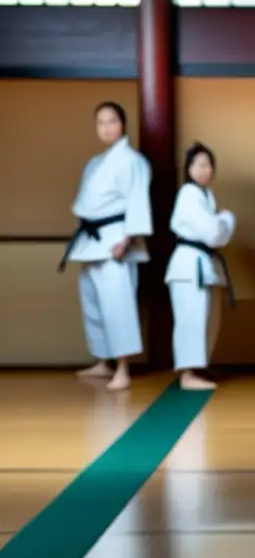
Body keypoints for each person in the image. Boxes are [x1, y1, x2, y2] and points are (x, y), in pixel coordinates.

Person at [61, 101, 152, 392]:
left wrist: (127, 237)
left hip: (115, 237)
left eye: (111, 121)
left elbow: (138, 200)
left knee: (118, 303)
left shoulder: (133, 160)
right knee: (93, 300)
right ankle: (103, 361)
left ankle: (123, 368)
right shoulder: (95, 163)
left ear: (122, 124)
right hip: (91, 239)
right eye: (100, 122)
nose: (106, 128)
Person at [165, 142, 236, 391]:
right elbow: (214, 233)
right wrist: (226, 219)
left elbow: (217, 235)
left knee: (207, 318)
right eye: (199, 164)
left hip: (203, 263)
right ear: (189, 169)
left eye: (208, 165)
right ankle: (187, 373)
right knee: (191, 319)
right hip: (189, 265)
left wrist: (221, 223)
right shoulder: (188, 194)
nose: (205, 170)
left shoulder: (205, 196)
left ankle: (199, 366)